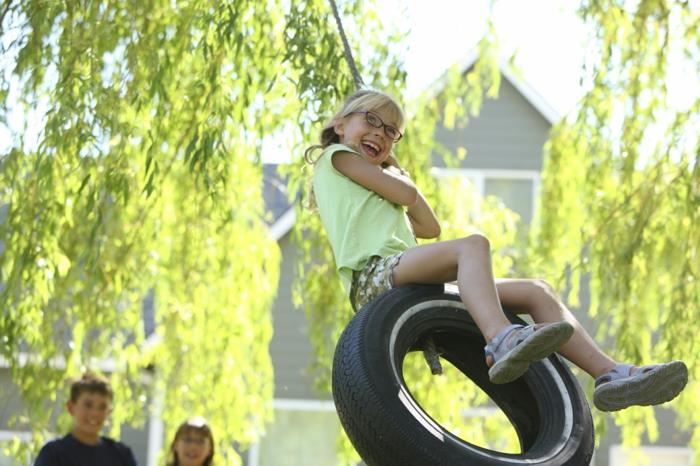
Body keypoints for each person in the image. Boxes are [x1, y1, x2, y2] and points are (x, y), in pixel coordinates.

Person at [305, 88, 688, 412]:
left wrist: (394, 175)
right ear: (340, 125)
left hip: (405, 277)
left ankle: (610, 373)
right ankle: (502, 339)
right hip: (375, 277)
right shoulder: (337, 158)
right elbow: (408, 195)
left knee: (535, 290)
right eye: (371, 120)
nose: (381, 134)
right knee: (473, 247)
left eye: (391, 131)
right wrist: (396, 174)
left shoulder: (372, 184)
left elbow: (428, 226)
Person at [34, 372, 138, 466]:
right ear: (71, 407)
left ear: (108, 412)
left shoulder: (121, 454)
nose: (95, 413)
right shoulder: (54, 455)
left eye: (102, 407)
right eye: (88, 405)